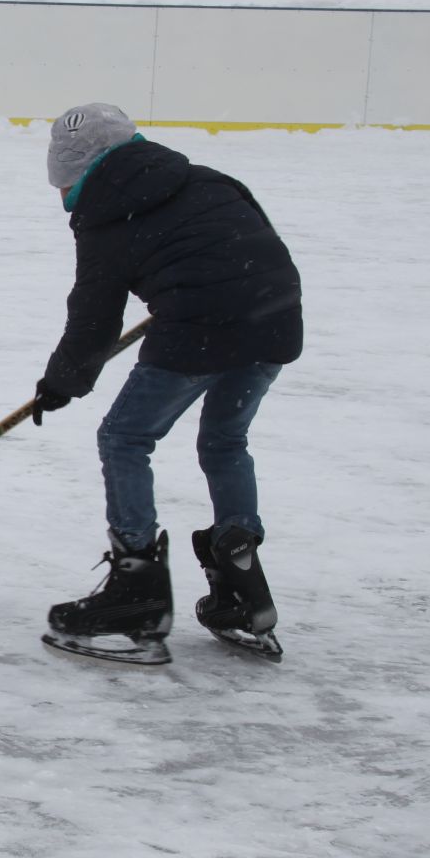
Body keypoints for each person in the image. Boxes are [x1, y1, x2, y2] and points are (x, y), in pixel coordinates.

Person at [32, 103, 302, 665]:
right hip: (276, 315)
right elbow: (254, 244)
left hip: (201, 327)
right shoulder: (206, 177)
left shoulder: (104, 213)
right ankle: (239, 579)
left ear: (75, 166)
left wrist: (62, 382)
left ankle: (137, 595)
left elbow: (94, 320)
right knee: (225, 441)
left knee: (124, 438)